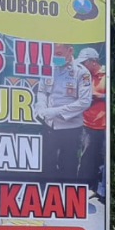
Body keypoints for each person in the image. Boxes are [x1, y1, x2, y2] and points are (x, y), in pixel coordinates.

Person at [33, 43, 92, 183]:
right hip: (49, 126)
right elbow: (42, 91)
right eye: (53, 54)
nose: (55, 57)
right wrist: (40, 106)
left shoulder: (82, 72)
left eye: (58, 54)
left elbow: (84, 102)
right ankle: (46, 197)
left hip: (70, 128)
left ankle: (68, 199)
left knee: (68, 166)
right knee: (47, 164)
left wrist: (55, 112)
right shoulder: (50, 68)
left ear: (70, 50)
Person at [75, 47, 106, 195]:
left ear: (93, 62)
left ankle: (96, 189)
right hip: (87, 124)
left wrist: (100, 97)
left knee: (101, 158)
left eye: (84, 63)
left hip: (104, 125)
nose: (81, 66)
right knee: (86, 156)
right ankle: (81, 188)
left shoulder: (106, 75)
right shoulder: (84, 76)